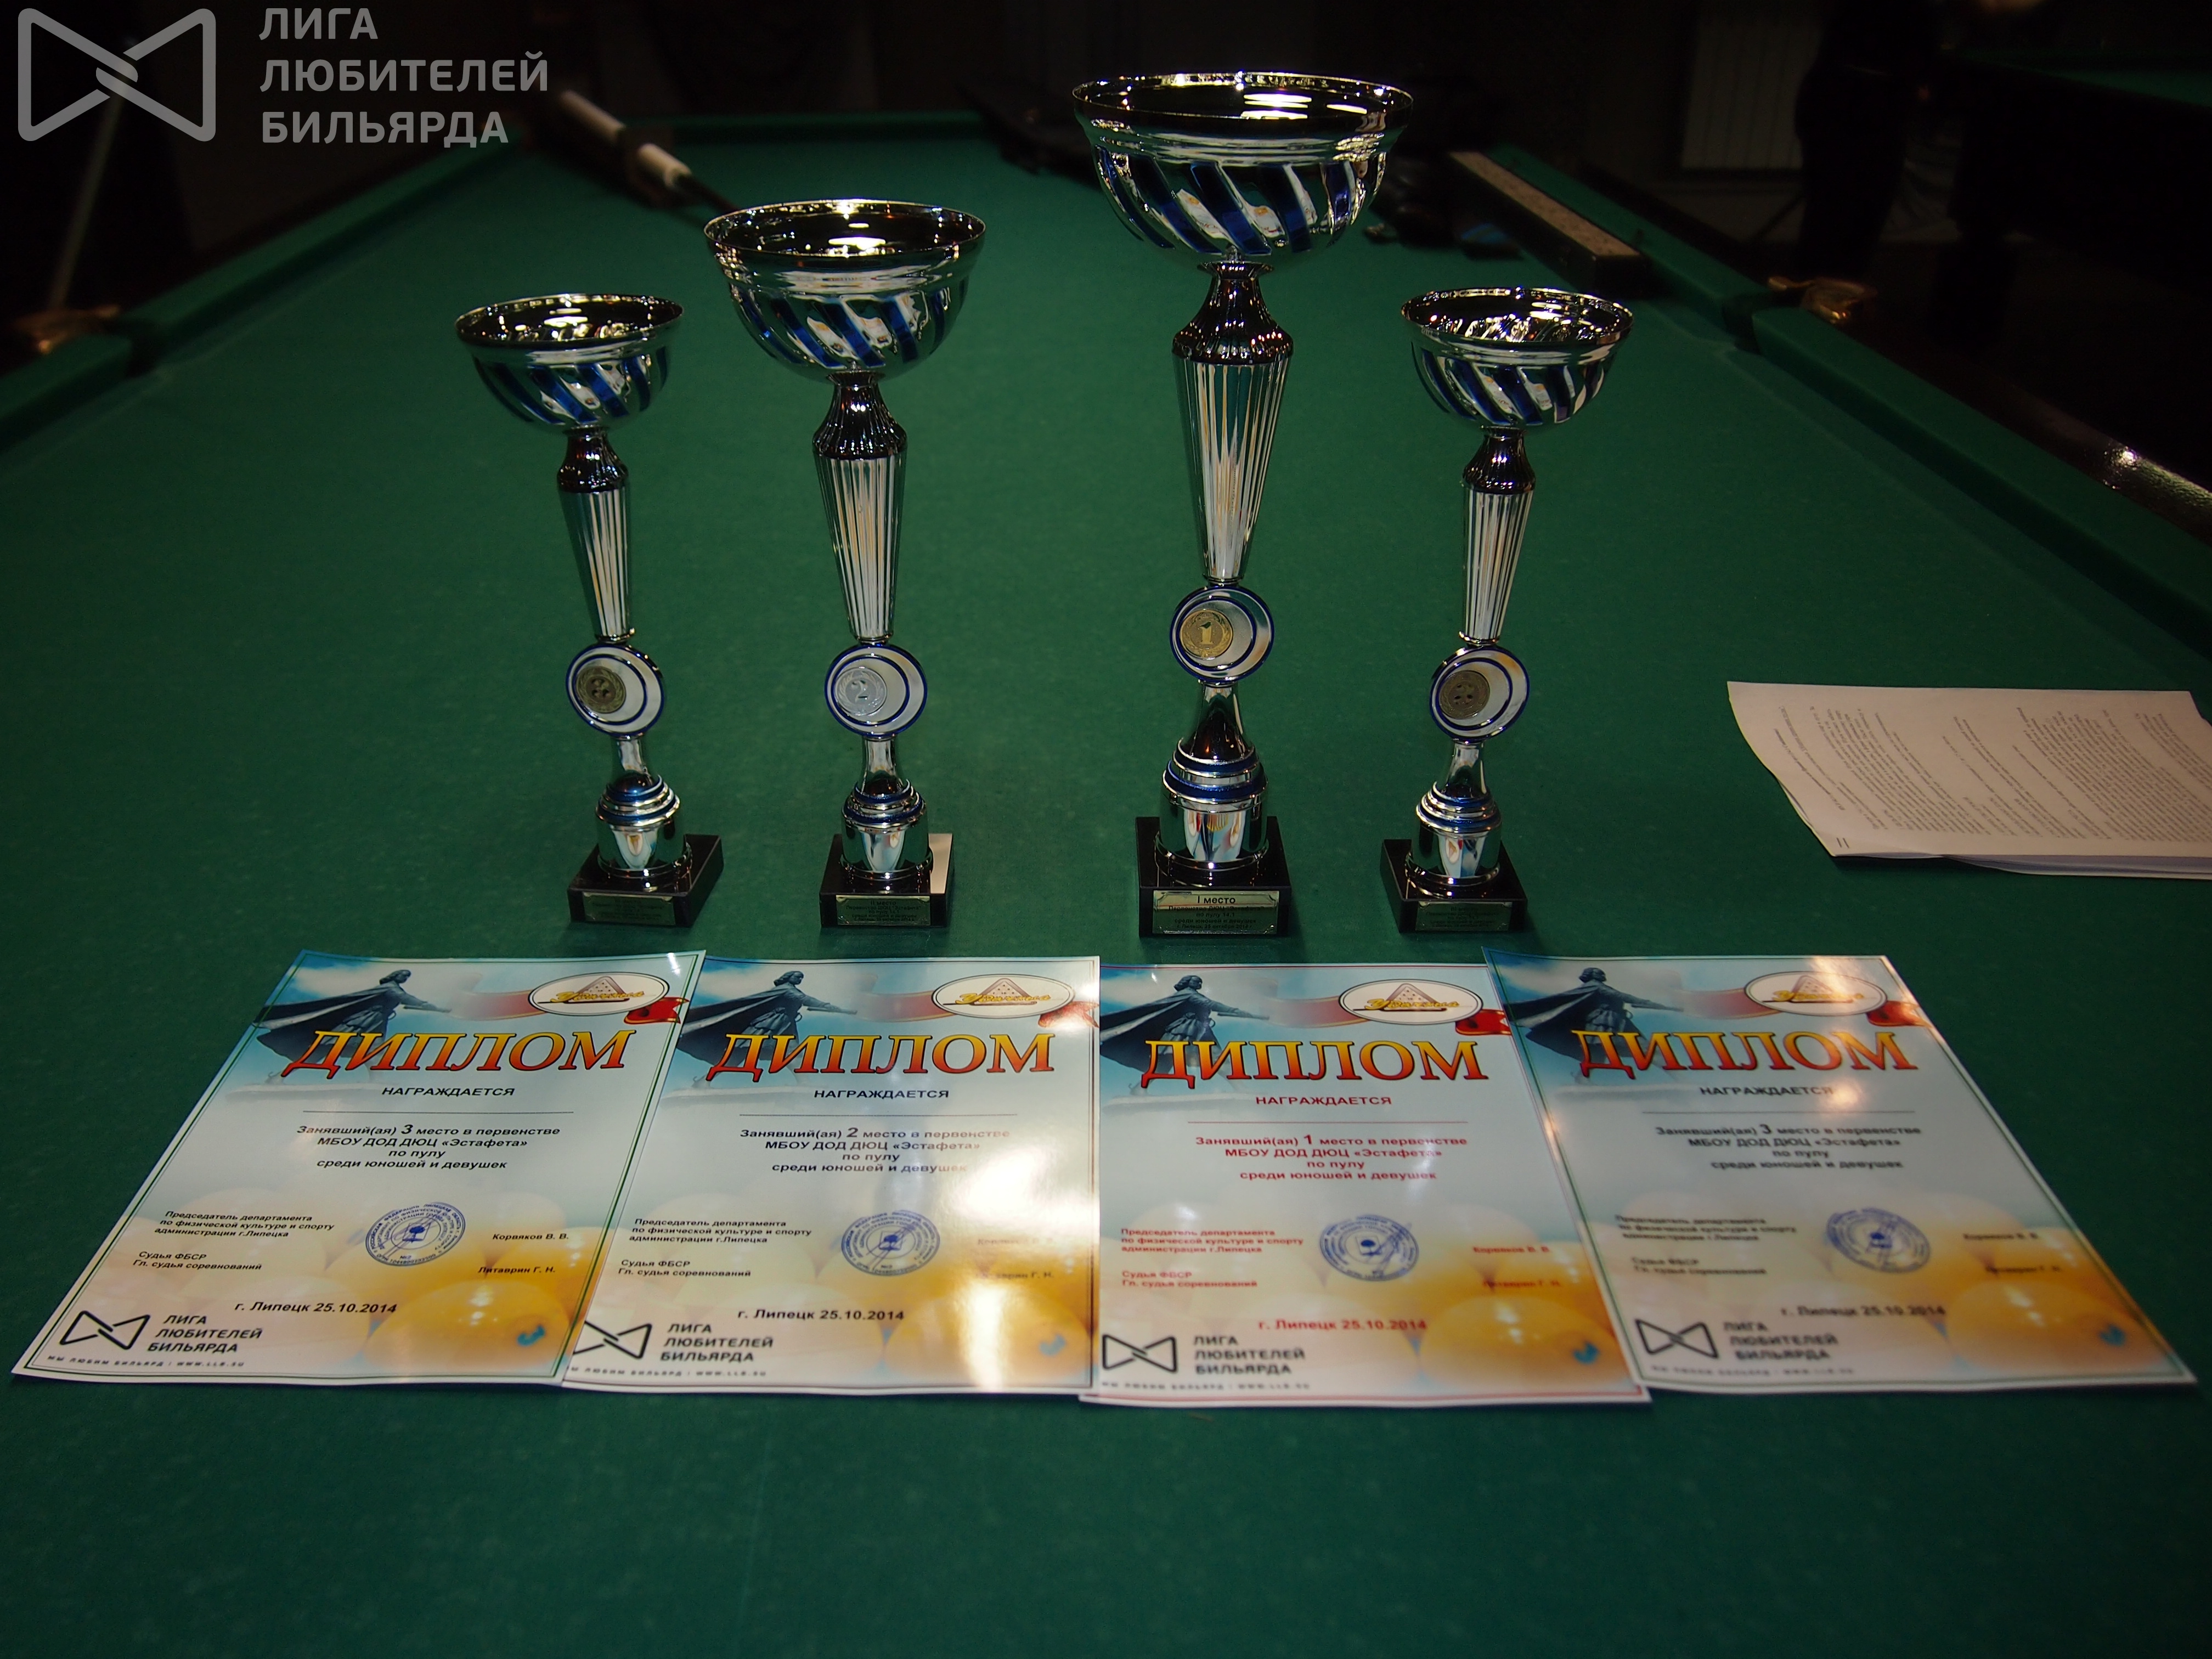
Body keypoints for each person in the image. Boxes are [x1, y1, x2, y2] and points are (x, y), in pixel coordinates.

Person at [255, 969, 447, 1063]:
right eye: (403, 975)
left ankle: (376, 1082)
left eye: (407, 977)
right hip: (361, 1023)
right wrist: (435, 1008)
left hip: (376, 1023)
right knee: (327, 1049)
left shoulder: (392, 989)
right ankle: (280, 1077)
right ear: (395, 976)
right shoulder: (390, 988)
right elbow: (408, 999)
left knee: (373, 1051)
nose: (405, 978)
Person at [677, 969, 854, 1064]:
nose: (800, 979)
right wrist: (835, 1008)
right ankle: (705, 1081)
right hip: (769, 1025)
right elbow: (806, 1000)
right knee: (743, 1053)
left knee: (792, 1053)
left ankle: (804, 1082)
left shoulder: (790, 989)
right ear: (789, 977)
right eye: (797, 977)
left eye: (801, 978)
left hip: (785, 1024)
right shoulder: (786, 989)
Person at [1502, 968, 1675, 1063]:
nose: (1602, 975)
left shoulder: (1596, 986)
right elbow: (1622, 996)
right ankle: (1583, 1080)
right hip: (1604, 1022)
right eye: (1599, 973)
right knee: (1636, 1049)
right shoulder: (1595, 985)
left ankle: (1582, 1079)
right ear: (1592, 976)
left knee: (1602, 1053)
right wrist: (1651, 1004)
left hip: (1616, 1020)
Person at [1098, 975, 1263, 1073]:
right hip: (1185, 1030)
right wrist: (1238, 1012)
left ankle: (1139, 1090)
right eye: (1197, 981)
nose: (1200, 984)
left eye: (1200, 982)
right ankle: (1139, 1089)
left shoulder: (1190, 994)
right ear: (1189, 983)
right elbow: (1211, 1004)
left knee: (1216, 1058)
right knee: (1169, 1062)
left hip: (1197, 1029)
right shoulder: (1189, 994)